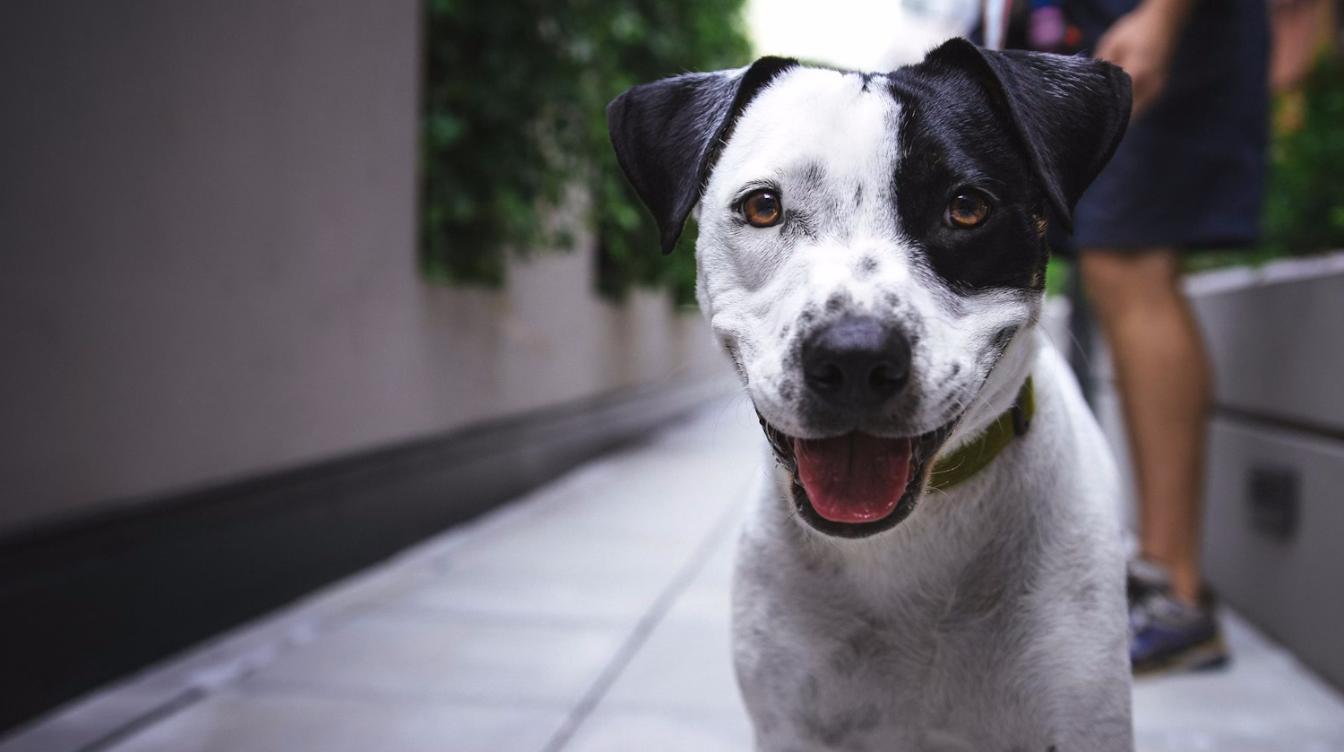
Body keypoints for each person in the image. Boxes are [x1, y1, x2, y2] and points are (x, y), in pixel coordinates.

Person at [991, 0, 1270, 674]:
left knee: (1131, 261)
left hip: (1145, 26)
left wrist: (1163, 17)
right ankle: (1152, 580)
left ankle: (1175, 593)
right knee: (1108, 262)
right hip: (1089, 28)